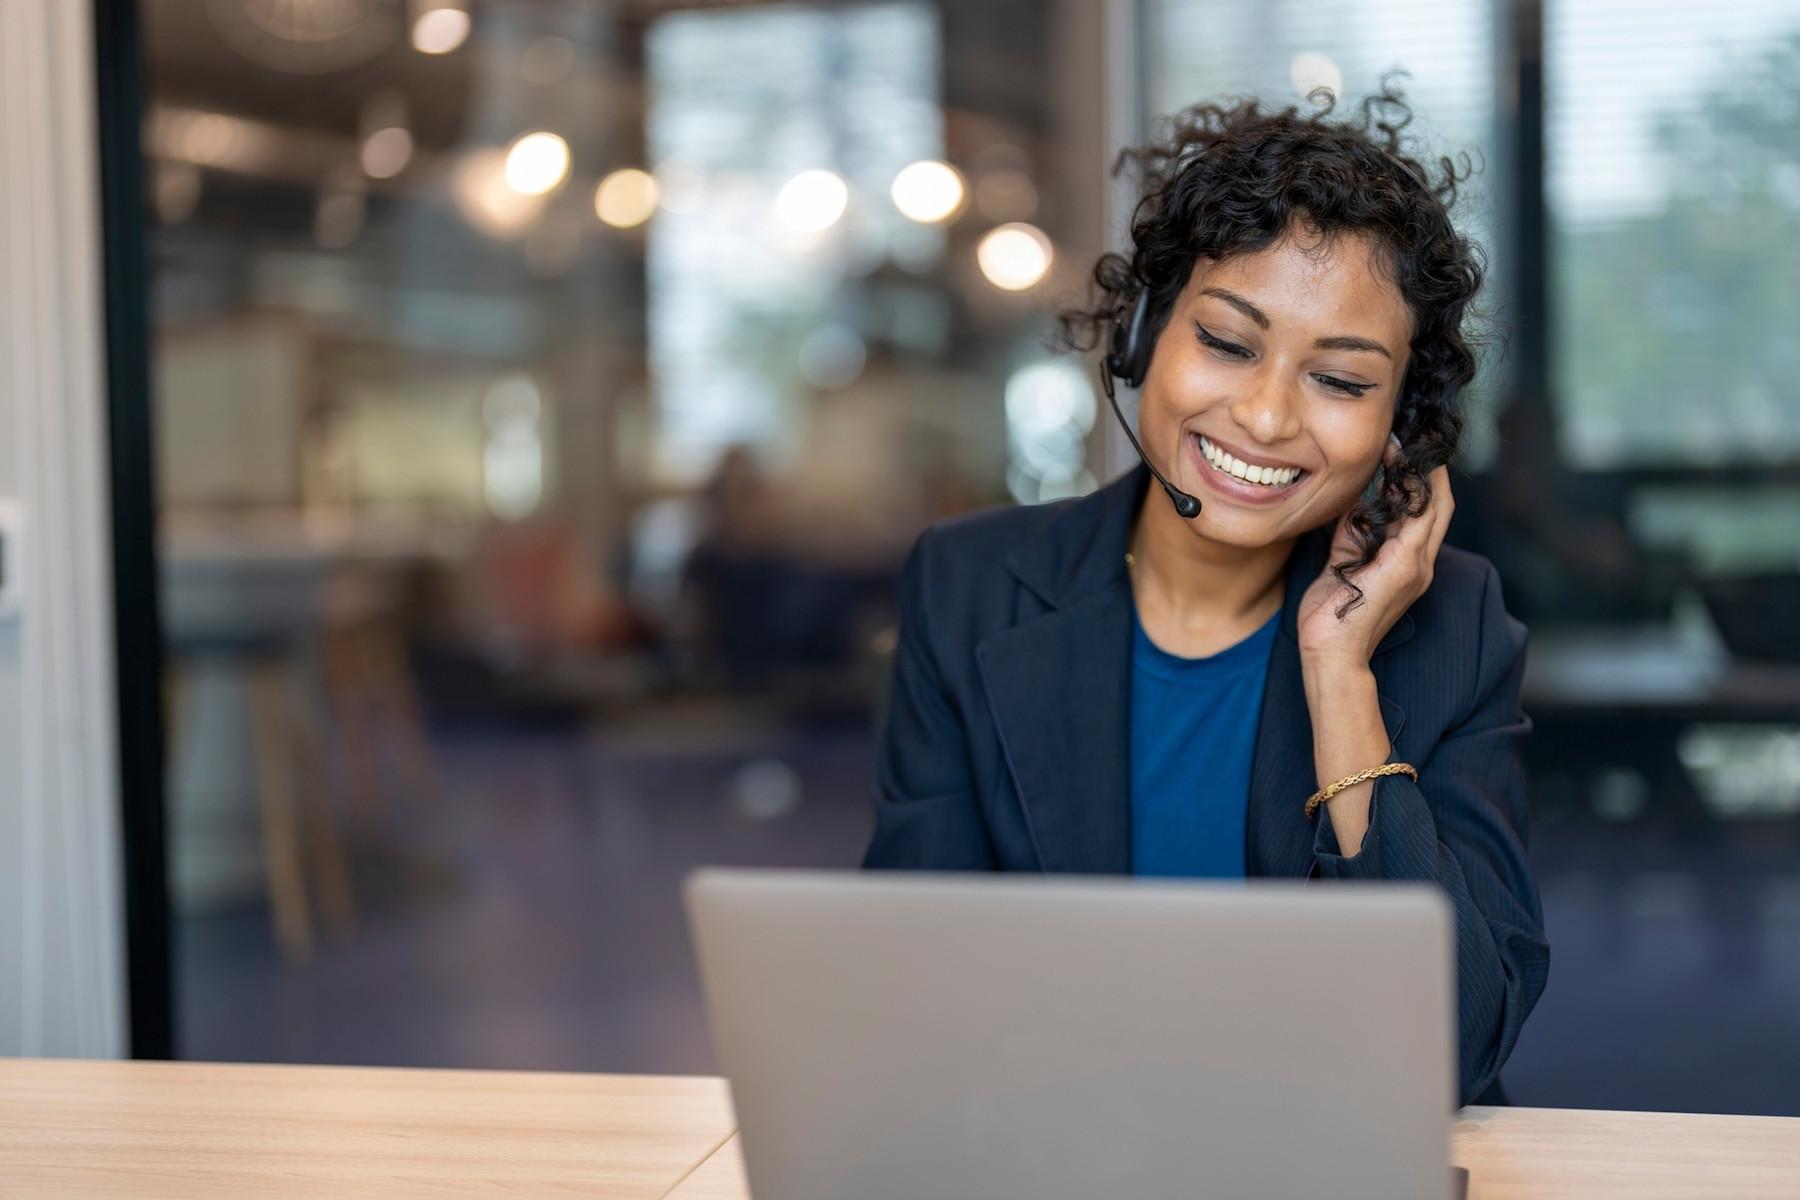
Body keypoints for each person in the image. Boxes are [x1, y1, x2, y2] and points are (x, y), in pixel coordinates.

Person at [862, 82, 1550, 1108]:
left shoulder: (1453, 624)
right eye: (1227, 344)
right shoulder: (969, 591)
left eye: (1342, 381)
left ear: (1400, 427)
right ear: (1143, 334)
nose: (1266, 418)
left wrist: (1342, 673)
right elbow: (909, 997)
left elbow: (1456, 1046)